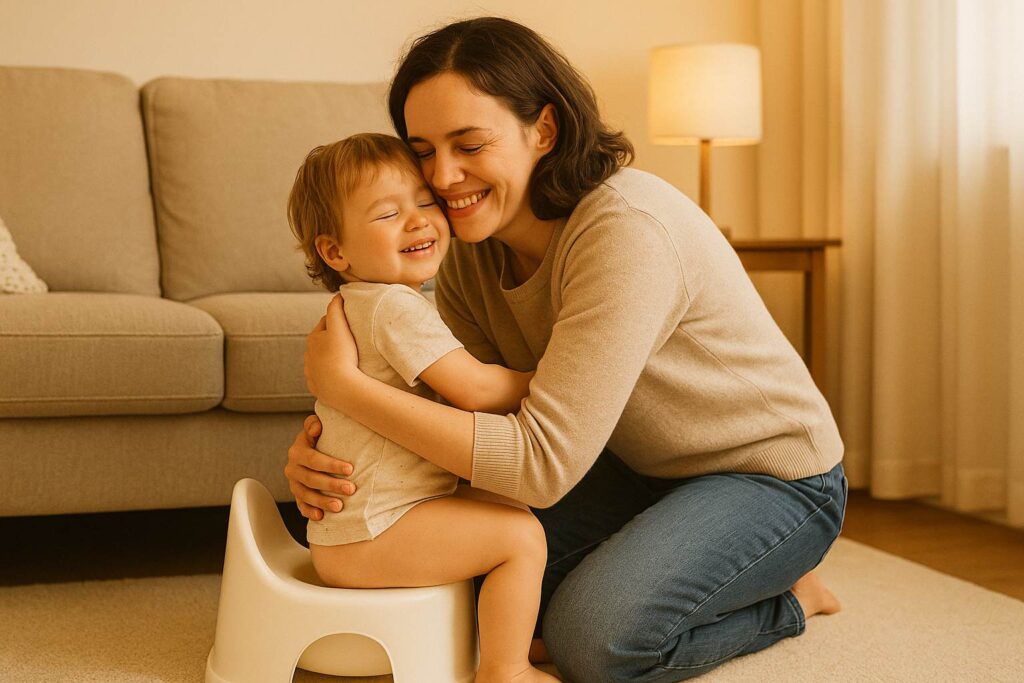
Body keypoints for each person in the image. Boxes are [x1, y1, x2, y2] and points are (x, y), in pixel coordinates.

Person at [286, 17, 847, 683]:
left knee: (595, 640)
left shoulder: (624, 232)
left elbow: (537, 466)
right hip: (627, 467)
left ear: (543, 131)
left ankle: (788, 597)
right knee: (476, 582)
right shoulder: (468, 255)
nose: (442, 176)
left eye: (468, 144)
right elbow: (465, 418)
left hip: (769, 478)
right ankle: (690, 556)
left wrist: (353, 391)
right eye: (424, 150)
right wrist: (336, 451)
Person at [287, 132, 558, 683]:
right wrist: (548, 377)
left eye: (425, 203)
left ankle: (507, 632)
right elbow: (476, 390)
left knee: (505, 500)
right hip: (375, 531)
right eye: (389, 214)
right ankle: (506, 671)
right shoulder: (393, 306)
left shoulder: (363, 302)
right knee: (520, 537)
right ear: (335, 251)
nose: (418, 222)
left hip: (356, 528)